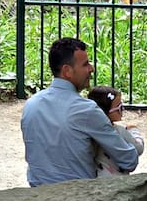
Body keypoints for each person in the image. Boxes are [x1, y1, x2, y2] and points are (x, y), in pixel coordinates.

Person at [19, 37, 140, 186]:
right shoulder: (86, 110)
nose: (91, 68)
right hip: (77, 198)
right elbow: (129, 160)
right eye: (85, 64)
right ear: (67, 71)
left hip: (37, 192)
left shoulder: (31, 104)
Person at [87, 85, 145, 176]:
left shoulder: (89, 130)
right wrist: (134, 130)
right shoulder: (119, 131)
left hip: (96, 177)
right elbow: (139, 148)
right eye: (119, 108)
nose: (122, 110)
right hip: (117, 179)